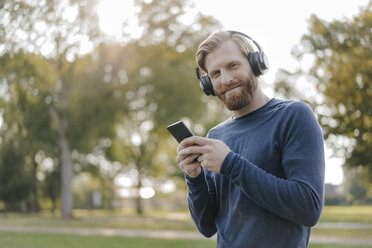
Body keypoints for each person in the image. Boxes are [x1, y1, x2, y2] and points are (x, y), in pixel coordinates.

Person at [176, 30, 325, 248]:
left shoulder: (293, 116)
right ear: (208, 85)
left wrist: (229, 163)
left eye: (233, 66)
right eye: (215, 73)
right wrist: (194, 178)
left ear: (255, 64)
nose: (225, 79)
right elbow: (207, 226)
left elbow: (308, 208)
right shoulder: (216, 137)